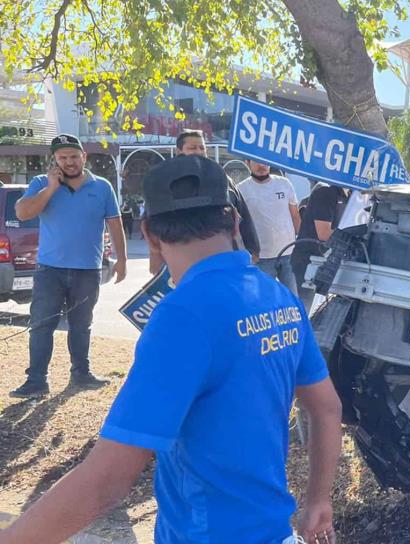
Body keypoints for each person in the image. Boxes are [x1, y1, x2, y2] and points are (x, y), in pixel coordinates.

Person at [0, 156, 344, 544]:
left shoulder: (183, 316)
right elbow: (327, 407)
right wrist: (318, 501)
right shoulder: (277, 296)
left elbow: (108, 477)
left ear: (149, 235)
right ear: (233, 221)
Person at [9, 134, 128, 399]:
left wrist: (122, 259)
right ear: (55, 160)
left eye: (74, 156)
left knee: (81, 324)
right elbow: (23, 213)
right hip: (49, 270)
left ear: (84, 157)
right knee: (42, 324)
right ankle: (37, 380)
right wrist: (51, 188)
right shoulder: (41, 182)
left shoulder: (102, 186)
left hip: (88, 269)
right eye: (63, 157)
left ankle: (81, 374)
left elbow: (115, 223)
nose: (69, 162)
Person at [149, 130, 261, 273]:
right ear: (179, 152)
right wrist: (155, 258)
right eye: (192, 148)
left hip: (225, 258)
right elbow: (153, 223)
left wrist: (253, 248)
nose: (199, 152)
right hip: (185, 262)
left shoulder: (224, 181)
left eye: (202, 148)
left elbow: (243, 214)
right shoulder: (165, 184)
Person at [238, 160, 300, 294]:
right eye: (257, 162)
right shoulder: (241, 189)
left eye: (265, 162)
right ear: (247, 162)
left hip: (289, 253)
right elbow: (239, 225)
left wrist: (300, 245)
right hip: (261, 257)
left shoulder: (284, 183)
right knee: (267, 300)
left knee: (293, 298)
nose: (262, 165)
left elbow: (295, 215)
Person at [291, 182, 349, 309]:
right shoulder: (325, 193)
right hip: (306, 260)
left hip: (324, 260)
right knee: (301, 310)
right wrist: (350, 237)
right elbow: (324, 233)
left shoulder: (349, 198)